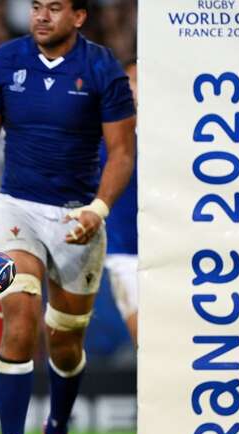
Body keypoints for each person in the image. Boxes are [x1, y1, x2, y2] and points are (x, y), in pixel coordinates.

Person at [0, 1, 136, 434]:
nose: (41, 16)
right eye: (36, 7)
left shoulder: (102, 69)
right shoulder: (4, 62)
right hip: (16, 208)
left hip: (77, 216)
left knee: (65, 343)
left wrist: (98, 210)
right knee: (20, 316)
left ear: (79, 16)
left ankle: (57, 431)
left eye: (54, 8)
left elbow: (122, 153)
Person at [103, 61, 138, 345]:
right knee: (147, 343)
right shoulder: (104, 137)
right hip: (125, 254)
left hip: (177, 252)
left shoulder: (180, 138)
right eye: (133, 81)